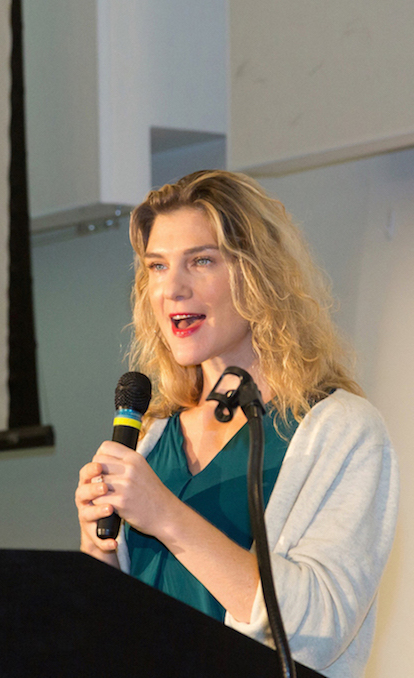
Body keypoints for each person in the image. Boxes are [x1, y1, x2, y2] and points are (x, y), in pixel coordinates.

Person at [75, 170, 398, 678]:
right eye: (157, 267)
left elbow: (317, 632)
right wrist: (99, 555)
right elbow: (109, 634)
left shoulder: (340, 431)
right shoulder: (154, 437)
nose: (173, 288)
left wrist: (166, 516)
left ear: (258, 274)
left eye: (201, 261)